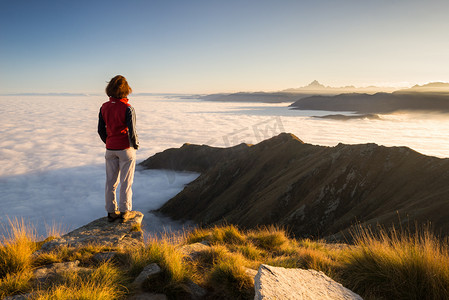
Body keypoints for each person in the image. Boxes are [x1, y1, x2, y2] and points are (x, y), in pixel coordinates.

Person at [98, 75, 139, 223]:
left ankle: (110, 211)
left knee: (110, 182)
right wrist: (136, 145)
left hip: (110, 148)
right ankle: (124, 211)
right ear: (125, 90)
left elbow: (100, 130)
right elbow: (132, 132)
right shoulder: (128, 108)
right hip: (125, 149)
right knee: (126, 182)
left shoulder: (104, 107)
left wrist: (108, 142)